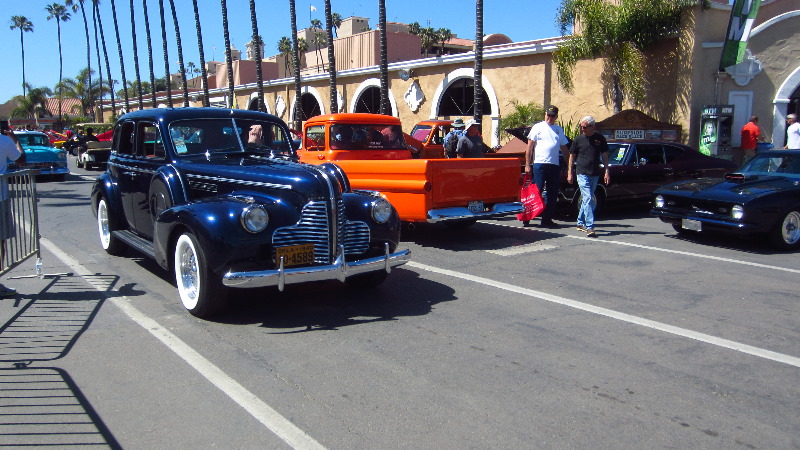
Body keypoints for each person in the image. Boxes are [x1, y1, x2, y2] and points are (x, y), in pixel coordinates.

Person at [525, 105, 569, 228]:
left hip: (554, 166)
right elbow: (529, 148)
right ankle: (527, 217)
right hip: (539, 164)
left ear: (556, 117)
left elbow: (564, 149)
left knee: (552, 193)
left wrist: (569, 167)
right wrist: (527, 165)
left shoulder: (559, 130)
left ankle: (547, 219)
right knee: (536, 191)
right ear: (545, 114)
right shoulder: (538, 127)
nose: (550, 118)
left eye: (552, 116)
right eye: (548, 115)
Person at [567, 116, 610, 238]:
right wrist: (570, 172)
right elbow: (572, 156)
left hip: (595, 173)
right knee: (588, 198)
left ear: (592, 127)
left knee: (588, 198)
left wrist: (607, 171)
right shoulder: (578, 139)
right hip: (582, 172)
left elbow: (605, 155)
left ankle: (580, 222)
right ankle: (590, 226)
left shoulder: (599, 139)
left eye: (585, 127)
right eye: (581, 127)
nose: (582, 129)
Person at [0, 129, 25, 297]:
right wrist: (15, 140)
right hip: (0, 198)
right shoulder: (4, 141)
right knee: (0, 240)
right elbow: (21, 160)